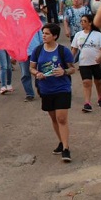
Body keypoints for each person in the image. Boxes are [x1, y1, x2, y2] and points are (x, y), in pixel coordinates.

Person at [29, 23, 76, 162]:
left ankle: (66, 149)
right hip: (46, 89)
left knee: (62, 118)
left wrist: (64, 71)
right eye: (43, 33)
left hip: (62, 88)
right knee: (54, 118)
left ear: (54, 36)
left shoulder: (63, 51)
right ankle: (61, 142)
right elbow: (31, 67)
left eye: (47, 33)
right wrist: (37, 73)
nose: (44, 35)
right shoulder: (37, 51)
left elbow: (73, 69)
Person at [70, 14, 101, 112]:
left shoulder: (98, 34)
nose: (82, 22)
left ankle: (100, 98)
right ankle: (87, 103)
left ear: (90, 22)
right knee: (86, 82)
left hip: (97, 63)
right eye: (81, 21)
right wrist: (69, 61)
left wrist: (100, 56)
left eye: (84, 21)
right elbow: (74, 49)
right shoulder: (78, 35)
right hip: (84, 63)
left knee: (99, 82)